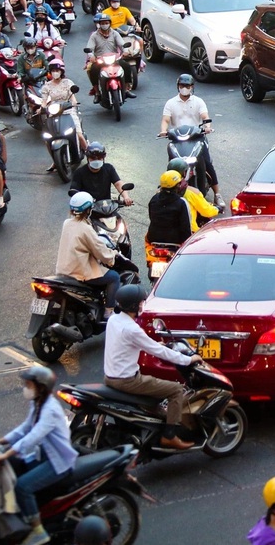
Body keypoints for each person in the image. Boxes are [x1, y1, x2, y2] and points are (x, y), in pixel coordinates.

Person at [104, 284, 200, 450]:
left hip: (110, 376)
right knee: (176, 390)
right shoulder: (132, 328)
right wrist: (188, 360)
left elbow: (125, 344)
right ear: (134, 306)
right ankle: (170, 436)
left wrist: (151, 343)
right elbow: (159, 352)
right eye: (140, 302)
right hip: (127, 380)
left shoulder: (114, 319)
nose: (142, 305)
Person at [0, 365, 77, 545]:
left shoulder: (51, 410)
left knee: (22, 486)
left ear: (41, 387)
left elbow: (33, 436)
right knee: (16, 469)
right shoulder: (38, 404)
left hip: (59, 462)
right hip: (44, 455)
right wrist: (0, 441)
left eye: (29, 385)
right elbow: (25, 428)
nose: (26, 388)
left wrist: (6, 453)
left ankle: (39, 532)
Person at [159, 73, 223, 207]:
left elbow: (205, 116)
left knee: (207, 163)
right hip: (177, 139)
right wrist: (164, 130)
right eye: (182, 85)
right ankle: (165, 190)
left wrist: (207, 127)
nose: (184, 88)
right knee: (172, 165)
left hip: (197, 138)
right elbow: (165, 119)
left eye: (187, 86)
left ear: (192, 87)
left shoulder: (198, 101)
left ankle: (217, 194)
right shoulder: (170, 103)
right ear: (178, 86)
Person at [56, 192, 120, 310]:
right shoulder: (86, 229)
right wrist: (113, 255)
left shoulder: (67, 223)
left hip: (63, 270)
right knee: (114, 277)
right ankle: (109, 311)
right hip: (79, 271)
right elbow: (100, 251)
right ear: (88, 210)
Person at [39, 60, 88, 161]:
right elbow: (44, 101)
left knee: (79, 135)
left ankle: (90, 155)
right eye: (53, 70)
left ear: (61, 71)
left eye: (57, 70)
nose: (55, 72)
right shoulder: (47, 86)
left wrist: (74, 104)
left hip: (68, 110)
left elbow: (73, 97)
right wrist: (41, 109)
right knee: (48, 138)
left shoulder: (68, 82)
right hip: (54, 112)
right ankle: (55, 160)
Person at [166, 157, 218, 232]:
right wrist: (217, 209)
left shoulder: (159, 191)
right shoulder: (191, 192)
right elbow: (207, 211)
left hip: (155, 238)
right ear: (184, 173)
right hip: (188, 235)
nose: (190, 172)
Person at [85, 13, 130, 99]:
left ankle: (126, 89)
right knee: (92, 70)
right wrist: (91, 56)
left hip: (114, 59)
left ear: (109, 23)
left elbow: (122, 44)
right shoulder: (94, 35)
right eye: (102, 23)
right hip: (100, 59)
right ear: (99, 24)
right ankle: (97, 92)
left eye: (106, 23)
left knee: (127, 66)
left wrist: (125, 51)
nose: (104, 25)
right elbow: (89, 48)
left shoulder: (115, 33)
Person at [146, 170, 192, 249]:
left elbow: (151, 217)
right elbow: (186, 227)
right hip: (175, 242)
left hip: (153, 238)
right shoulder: (182, 203)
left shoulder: (154, 199)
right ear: (177, 186)